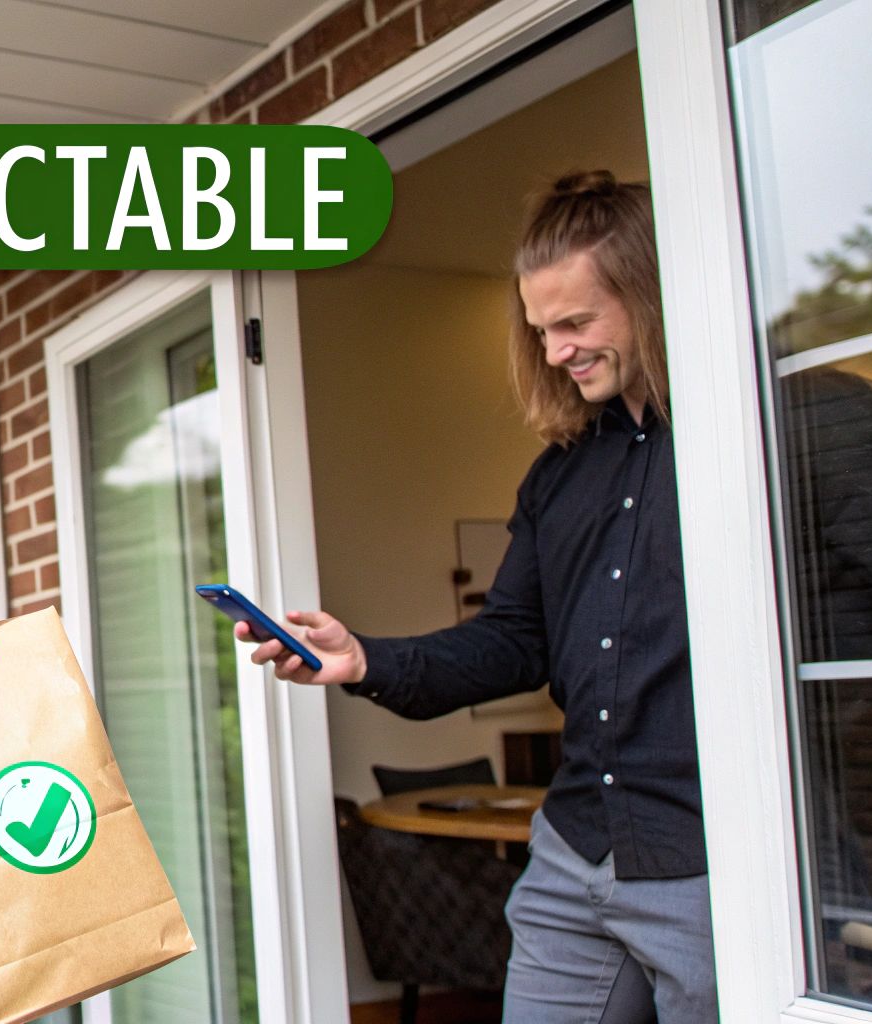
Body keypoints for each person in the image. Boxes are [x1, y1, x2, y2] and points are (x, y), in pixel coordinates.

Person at [238, 172, 717, 1022]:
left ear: (652, 294)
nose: (557, 352)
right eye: (542, 331)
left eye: (576, 323)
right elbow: (511, 642)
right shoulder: (557, 477)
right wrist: (363, 659)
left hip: (711, 860)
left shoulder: (759, 435)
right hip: (573, 854)